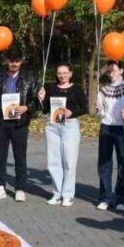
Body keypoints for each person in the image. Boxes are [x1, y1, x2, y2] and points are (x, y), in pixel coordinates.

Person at [0, 49, 40, 202]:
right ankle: (0, 187)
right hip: (0, 122)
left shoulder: (29, 77)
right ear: (7, 60)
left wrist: (27, 108)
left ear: (21, 61)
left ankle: (20, 188)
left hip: (20, 123)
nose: (14, 63)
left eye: (17, 60)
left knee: (20, 156)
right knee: (0, 156)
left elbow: (35, 100)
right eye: (11, 60)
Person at [36, 63, 88, 206]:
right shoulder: (51, 88)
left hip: (69, 126)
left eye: (65, 73)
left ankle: (68, 194)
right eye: (60, 73)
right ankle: (56, 193)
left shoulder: (76, 89)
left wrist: (72, 113)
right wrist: (41, 99)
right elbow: (46, 109)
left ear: (71, 74)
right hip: (53, 126)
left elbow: (85, 108)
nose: (62, 75)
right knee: (53, 161)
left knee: (69, 161)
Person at [94, 60, 124, 211]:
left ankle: (122, 198)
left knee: (123, 163)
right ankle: (105, 196)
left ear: (121, 71)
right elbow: (100, 113)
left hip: (122, 128)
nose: (111, 73)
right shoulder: (103, 90)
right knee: (104, 163)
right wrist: (99, 109)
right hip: (106, 127)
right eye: (109, 71)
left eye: (114, 70)